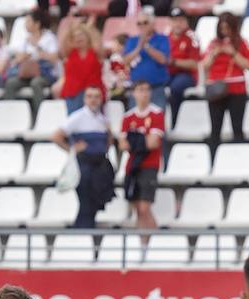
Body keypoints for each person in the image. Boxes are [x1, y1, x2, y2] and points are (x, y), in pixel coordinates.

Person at [53, 85, 114, 230]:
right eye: (90, 96)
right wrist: (72, 149)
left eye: (96, 96)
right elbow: (56, 136)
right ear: (85, 99)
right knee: (86, 199)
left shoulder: (103, 120)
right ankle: (82, 230)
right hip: (84, 165)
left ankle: (86, 229)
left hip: (100, 165)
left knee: (95, 200)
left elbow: (109, 140)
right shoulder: (77, 117)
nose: (93, 100)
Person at [202, 12, 249, 147]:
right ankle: (214, 159)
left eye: (227, 28)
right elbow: (204, 65)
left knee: (237, 128)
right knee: (215, 129)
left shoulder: (241, 43)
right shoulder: (213, 43)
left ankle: (238, 158)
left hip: (237, 89)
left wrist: (233, 53)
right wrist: (215, 53)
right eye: (222, 28)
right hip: (216, 88)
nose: (225, 31)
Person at [120, 79, 164, 234]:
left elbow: (153, 143)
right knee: (137, 208)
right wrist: (141, 139)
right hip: (132, 166)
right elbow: (123, 145)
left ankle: (157, 241)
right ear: (134, 93)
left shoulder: (156, 114)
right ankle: (143, 244)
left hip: (149, 165)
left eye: (147, 90)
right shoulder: (128, 117)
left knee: (145, 207)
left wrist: (135, 139)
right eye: (140, 90)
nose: (144, 93)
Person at [3, 9, 58, 108]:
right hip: (26, 74)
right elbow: (17, 59)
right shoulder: (25, 39)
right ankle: (11, 113)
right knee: (11, 83)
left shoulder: (49, 38)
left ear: (37, 24)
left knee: (36, 83)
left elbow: (54, 58)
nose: (25, 24)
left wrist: (37, 47)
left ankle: (40, 114)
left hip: (44, 74)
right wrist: (25, 56)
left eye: (28, 21)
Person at [55, 20, 104, 115]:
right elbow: (62, 45)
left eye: (81, 35)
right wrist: (71, 28)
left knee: (93, 122)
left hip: (92, 93)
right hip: (73, 92)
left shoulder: (95, 52)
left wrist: (91, 28)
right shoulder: (69, 53)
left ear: (87, 37)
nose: (78, 38)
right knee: (74, 121)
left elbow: (99, 42)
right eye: (75, 36)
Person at [123, 7, 168, 102]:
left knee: (157, 116)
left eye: (145, 23)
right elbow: (125, 61)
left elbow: (163, 59)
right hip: (136, 88)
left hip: (156, 87)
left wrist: (146, 46)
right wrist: (139, 47)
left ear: (152, 23)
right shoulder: (132, 40)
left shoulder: (162, 39)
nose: (142, 26)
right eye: (139, 23)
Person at [167, 13, 200, 122]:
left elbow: (194, 64)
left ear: (186, 22)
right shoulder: (166, 37)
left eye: (181, 20)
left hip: (187, 74)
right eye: (175, 20)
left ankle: (174, 120)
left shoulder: (192, 37)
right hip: (168, 73)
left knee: (176, 87)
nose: (178, 24)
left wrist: (173, 62)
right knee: (152, 83)